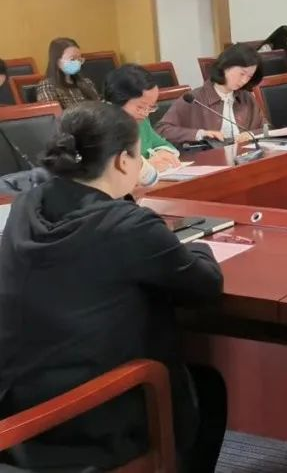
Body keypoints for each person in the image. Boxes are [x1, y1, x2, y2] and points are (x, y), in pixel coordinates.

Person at [0, 103, 226, 472]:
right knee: (208, 388)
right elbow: (206, 286)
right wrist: (199, 245)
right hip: (92, 419)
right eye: (138, 156)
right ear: (123, 161)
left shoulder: (26, 206)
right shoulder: (128, 225)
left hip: (19, 409)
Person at [156, 44, 266, 146]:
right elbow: (162, 130)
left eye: (249, 76)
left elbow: (266, 128)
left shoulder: (246, 98)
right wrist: (200, 134)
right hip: (209, 157)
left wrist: (251, 134)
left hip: (246, 155)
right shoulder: (194, 99)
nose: (244, 80)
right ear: (226, 66)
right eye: (242, 74)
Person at [104, 64, 183, 187]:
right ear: (117, 100)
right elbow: (111, 172)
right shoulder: (100, 125)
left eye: (150, 107)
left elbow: (163, 145)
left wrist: (161, 153)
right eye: (140, 107)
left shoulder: (141, 120)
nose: (145, 113)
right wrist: (147, 165)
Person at [35, 37, 100, 109]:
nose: (77, 63)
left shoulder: (87, 82)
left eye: (79, 59)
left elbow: (100, 108)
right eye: (72, 59)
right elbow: (51, 113)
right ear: (57, 62)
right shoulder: (47, 86)